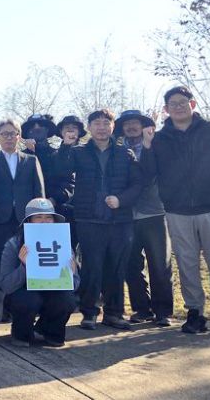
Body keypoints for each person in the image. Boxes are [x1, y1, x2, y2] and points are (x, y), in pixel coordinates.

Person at [141, 86, 210, 338]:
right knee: (187, 265)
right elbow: (147, 174)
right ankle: (195, 313)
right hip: (178, 212)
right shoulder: (160, 139)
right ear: (166, 109)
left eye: (182, 102)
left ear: (192, 104)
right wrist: (147, 146)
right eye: (172, 104)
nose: (178, 107)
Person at [62, 109, 143, 331]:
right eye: (96, 123)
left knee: (116, 268)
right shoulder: (78, 152)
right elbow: (61, 172)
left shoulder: (125, 154)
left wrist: (121, 200)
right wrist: (66, 146)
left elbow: (137, 184)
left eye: (106, 123)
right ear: (89, 128)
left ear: (113, 127)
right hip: (89, 219)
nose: (101, 127)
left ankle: (114, 313)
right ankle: (89, 313)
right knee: (92, 267)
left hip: (120, 220)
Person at [114, 110, 174, 327]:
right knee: (131, 266)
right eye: (127, 124)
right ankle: (142, 309)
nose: (131, 127)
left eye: (135, 123)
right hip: (126, 215)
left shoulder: (157, 145)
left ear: (143, 126)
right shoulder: (117, 151)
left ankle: (163, 311)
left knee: (159, 264)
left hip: (154, 212)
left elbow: (152, 174)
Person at [0, 119, 45, 321]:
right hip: (0, 219)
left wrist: (41, 218)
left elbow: (39, 192)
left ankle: (26, 307)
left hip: (25, 219)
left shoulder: (31, 160)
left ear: (19, 136)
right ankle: (1, 308)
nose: (9, 137)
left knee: (26, 260)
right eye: (4, 134)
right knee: (1, 262)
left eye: (13, 133)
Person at [0, 198, 80, 348]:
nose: (44, 221)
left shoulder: (63, 243)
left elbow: (74, 285)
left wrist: (71, 274)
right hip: (23, 293)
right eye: (38, 217)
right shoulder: (14, 244)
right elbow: (6, 285)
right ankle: (21, 332)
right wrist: (24, 267)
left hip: (53, 292)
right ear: (28, 221)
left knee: (67, 300)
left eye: (49, 217)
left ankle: (48, 331)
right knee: (29, 300)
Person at [51, 115, 86, 251]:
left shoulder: (88, 152)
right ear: (61, 132)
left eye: (74, 128)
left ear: (79, 132)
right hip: (64, 209)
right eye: (66, 128)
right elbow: (60, 173)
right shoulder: (55, 154)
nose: (70, 130)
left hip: (87, 210)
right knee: (66, 249)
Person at [21, 114, 59, 197]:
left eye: (41, 125)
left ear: (47, 130)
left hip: (53, 203)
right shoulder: (20, 157)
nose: (36, 127)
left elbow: (66, 183)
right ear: (27, 133)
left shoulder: (57, 155)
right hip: (26, 203)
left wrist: (54, 200)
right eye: (32, 126)